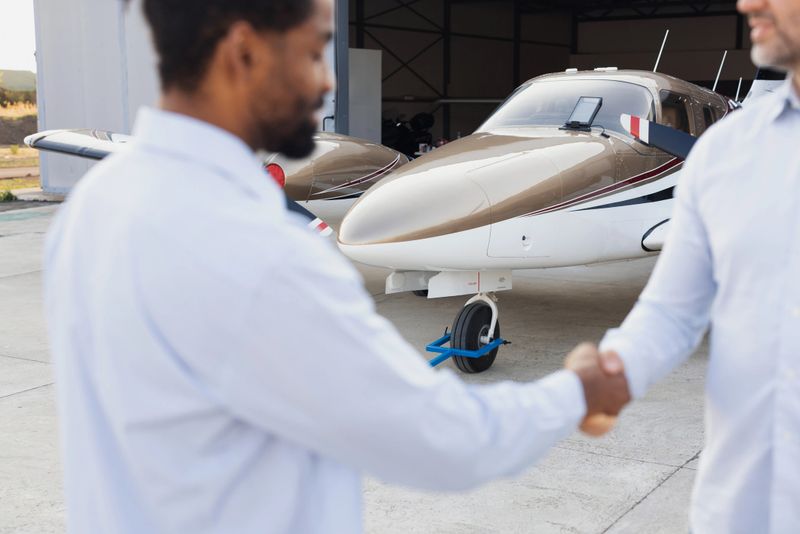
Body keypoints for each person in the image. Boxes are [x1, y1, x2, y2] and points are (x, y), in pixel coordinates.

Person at [43, 1, 629, 532]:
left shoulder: (90, 209)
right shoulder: (266, 251)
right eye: (312, 52)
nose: (327, 81)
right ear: (243, 50)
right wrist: (576, 393)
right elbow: (439, 439)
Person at [578, 0, 800, 532]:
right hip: (739, 508)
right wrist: (613, 373)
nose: (748, 3)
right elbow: (673, 312)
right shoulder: (727, 148)